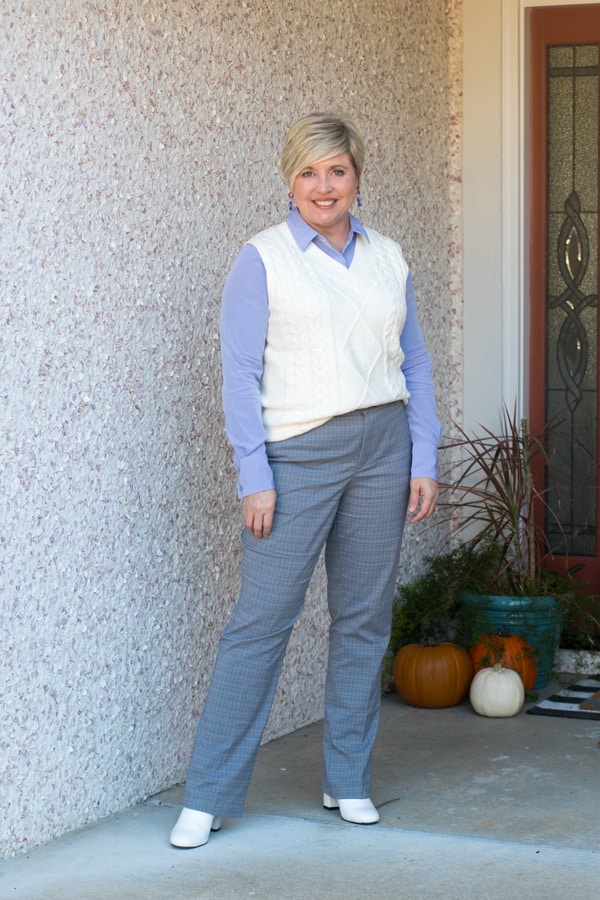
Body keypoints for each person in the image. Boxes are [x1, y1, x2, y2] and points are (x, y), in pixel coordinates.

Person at [170, 113, 441, 848]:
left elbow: (413, 362)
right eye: (309, 172)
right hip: (297, 456)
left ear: (358, 176)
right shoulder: (261, 260)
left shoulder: (388, 256)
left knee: (363, 620)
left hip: (385, 447)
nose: (324, 186)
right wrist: (252, 476)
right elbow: (238, 374)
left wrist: (424, 456)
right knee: (260, 624)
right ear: (290, 179)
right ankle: (208, 794)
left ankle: (347, 779)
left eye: (338, 171)